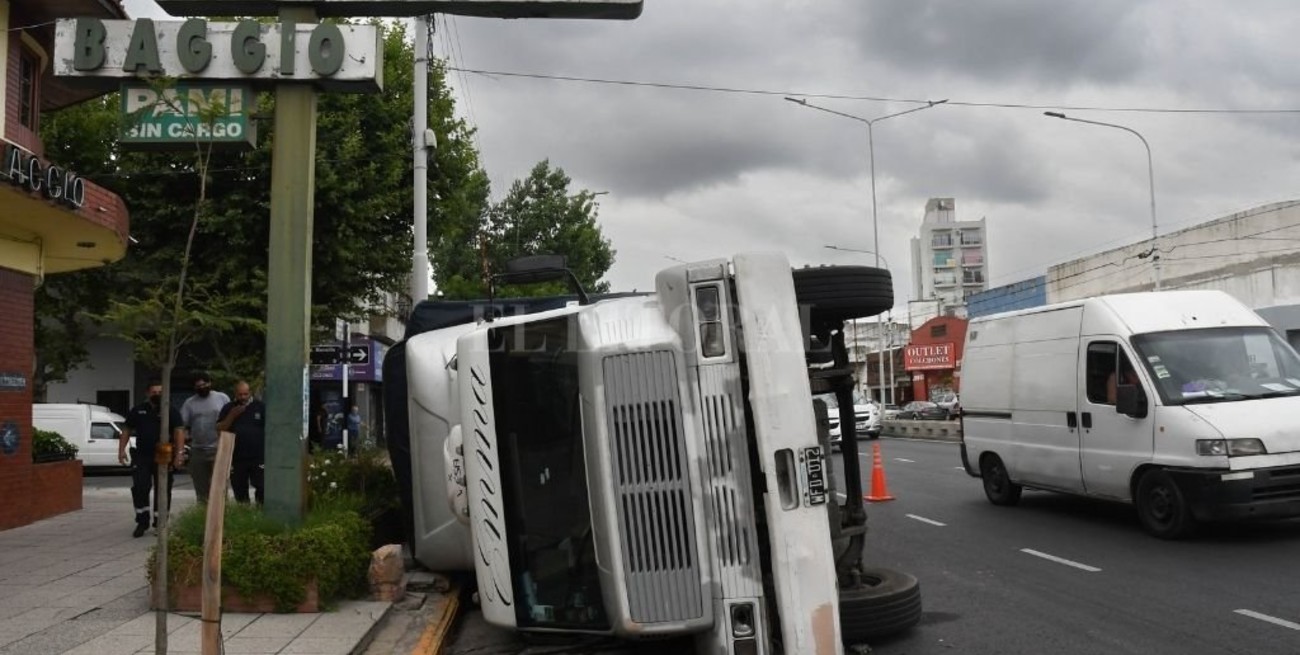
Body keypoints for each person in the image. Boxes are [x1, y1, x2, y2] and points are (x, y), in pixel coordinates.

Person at [118, 381, 185, 538]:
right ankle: (142, 521)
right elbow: (126, 429)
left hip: (164, 456)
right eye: (154, 392)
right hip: (142, 456)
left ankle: (160, 523)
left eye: (160, 392)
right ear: (148, 393)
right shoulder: (138, 410)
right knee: (140, 487)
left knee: (163, 490)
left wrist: (179, 454)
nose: (157, 395)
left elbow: (179, 432)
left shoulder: (171, 411)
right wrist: (121, 450)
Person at [181, 371, 230, 503]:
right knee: (201, 489)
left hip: (218, 449)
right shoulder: (189, 403)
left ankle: (221, 518)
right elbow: (183, 426)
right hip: (198, 450)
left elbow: (230, 420)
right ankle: (202, 516)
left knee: (220, 488)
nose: (202, 388)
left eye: (204, 384)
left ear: (210, 383)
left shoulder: (222, 398)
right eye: (198, 386)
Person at [217, 381, 265, 505]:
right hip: (237, 457)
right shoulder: (228, 408)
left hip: (258, 456)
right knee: (239, 489)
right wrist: (232, 415)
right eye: (240, 395)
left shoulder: (260, 406)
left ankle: (261, 512)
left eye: (245, 394)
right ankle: (244, 513)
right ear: (235, 394)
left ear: (250, 393)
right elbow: (220, 428)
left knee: (262, 486)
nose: (243, 397)